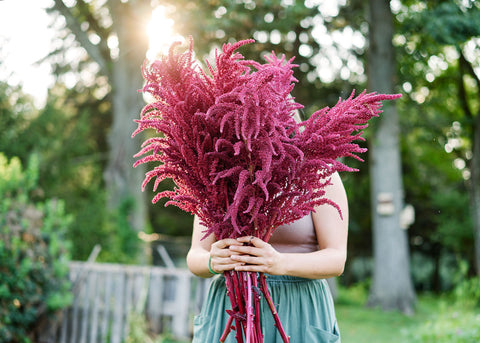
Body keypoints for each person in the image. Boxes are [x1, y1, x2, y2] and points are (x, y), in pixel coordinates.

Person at [186, 170, 348, 342]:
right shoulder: (217, 169)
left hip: (298, 307)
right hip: (231, 303)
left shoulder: (319, 171)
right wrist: (211, 261)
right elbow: (195, 255)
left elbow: (336, 259)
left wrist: (281, 263)